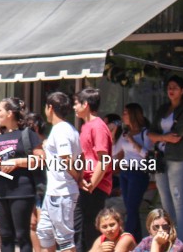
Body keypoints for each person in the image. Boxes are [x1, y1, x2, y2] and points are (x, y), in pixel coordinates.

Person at [147, 75, 183, 246]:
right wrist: (162, 137)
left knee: (179, 201)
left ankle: (181, 245)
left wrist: (161, 137)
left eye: (175, 87)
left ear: (182, 91)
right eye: (169, 87)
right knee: (165, 202)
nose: (171, 90)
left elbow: (176, 136)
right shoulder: (162, 109)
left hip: (178, 159)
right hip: (160, 159)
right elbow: (150, 134)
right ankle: (168, 242)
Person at [0, 97, 42, 252]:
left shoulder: (27, 134)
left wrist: (17, 162)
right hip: (1, 191)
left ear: (10, 113)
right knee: (5, 235)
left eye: (0, 110)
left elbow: (41, 159)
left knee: (22, 235)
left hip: (21, 190)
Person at [36, 92, 82, 252]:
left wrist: (76, 177)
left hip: (62, 191)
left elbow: (66, 158)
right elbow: (79, 157)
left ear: (50, 107)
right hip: (55, 191)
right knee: (44, 232)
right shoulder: (67, 129)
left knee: (64, 239)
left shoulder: (61, 129)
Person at [73, 88, 114, 252]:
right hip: (85, 184)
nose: (74, 108)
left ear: (86, 104)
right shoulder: (86, 126)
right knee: (80, 231)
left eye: (76, 103)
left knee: (89, 232)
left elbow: (104, 160)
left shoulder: (97, 127)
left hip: (93, 187)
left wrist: (91, 184)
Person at [116, 103, 153, 239]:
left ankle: (125, 239)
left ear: (133, 115)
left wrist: (132, 141)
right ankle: (136, 242)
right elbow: (119, 152)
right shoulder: (125, 133)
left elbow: (147, 155)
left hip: (138, 172)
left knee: (132, 208)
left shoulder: (145, 133)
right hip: (125, 171)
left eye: (125, 113)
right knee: (131, 209)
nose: (123, 116)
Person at [26, 111, 47, 252]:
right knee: (32, 224)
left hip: (44, 188)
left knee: (42, 225)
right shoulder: (27, 145)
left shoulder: (46, 144)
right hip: (30, 186)